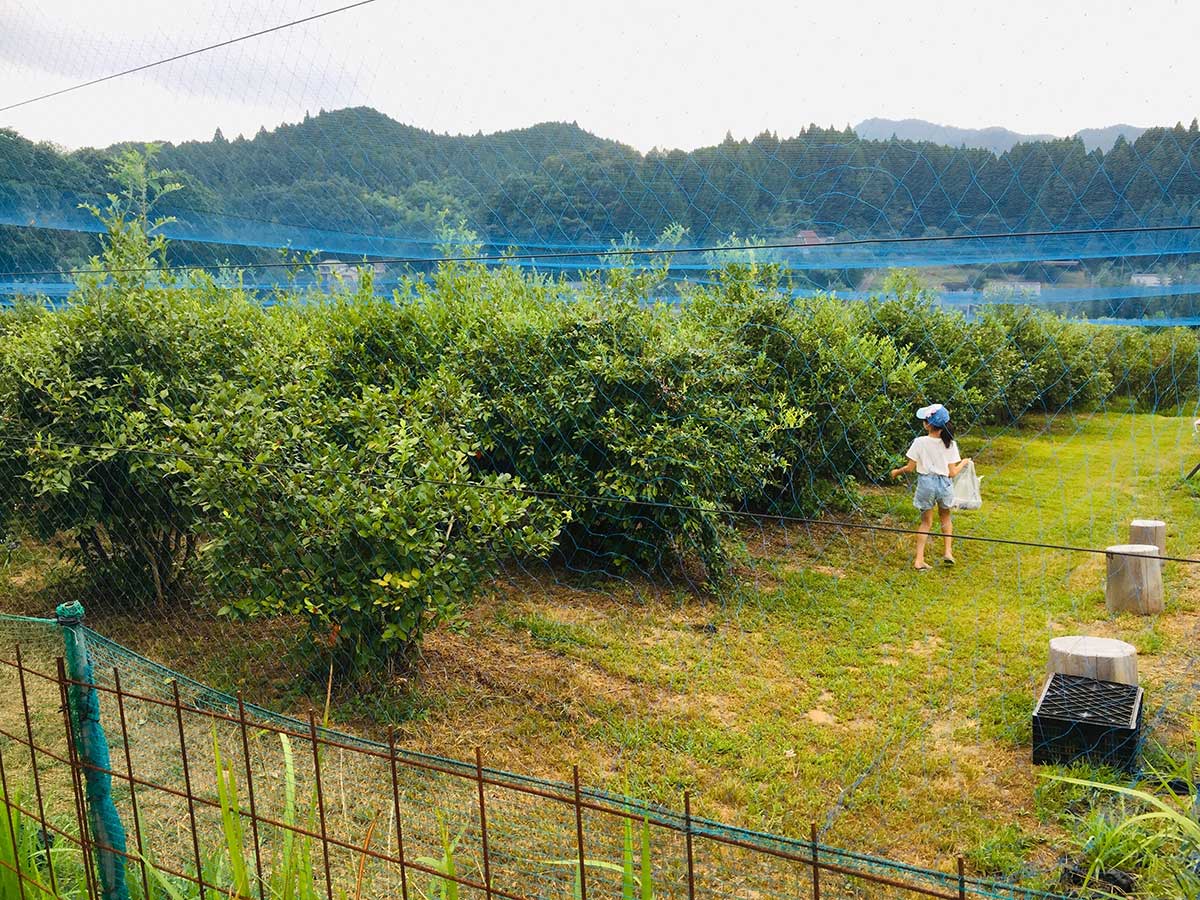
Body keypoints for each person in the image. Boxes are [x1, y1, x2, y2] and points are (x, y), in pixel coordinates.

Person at [889, 403, 971, 571]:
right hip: (944, 484)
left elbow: (911, 468)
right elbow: (952, 473)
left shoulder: (919, 442)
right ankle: (948, 551)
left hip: (926, 483)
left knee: (926, 522)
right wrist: (964, 462)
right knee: (945, 518)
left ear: (928, 424)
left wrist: (897, 471)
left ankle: (919, 559)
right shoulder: (950, 444)